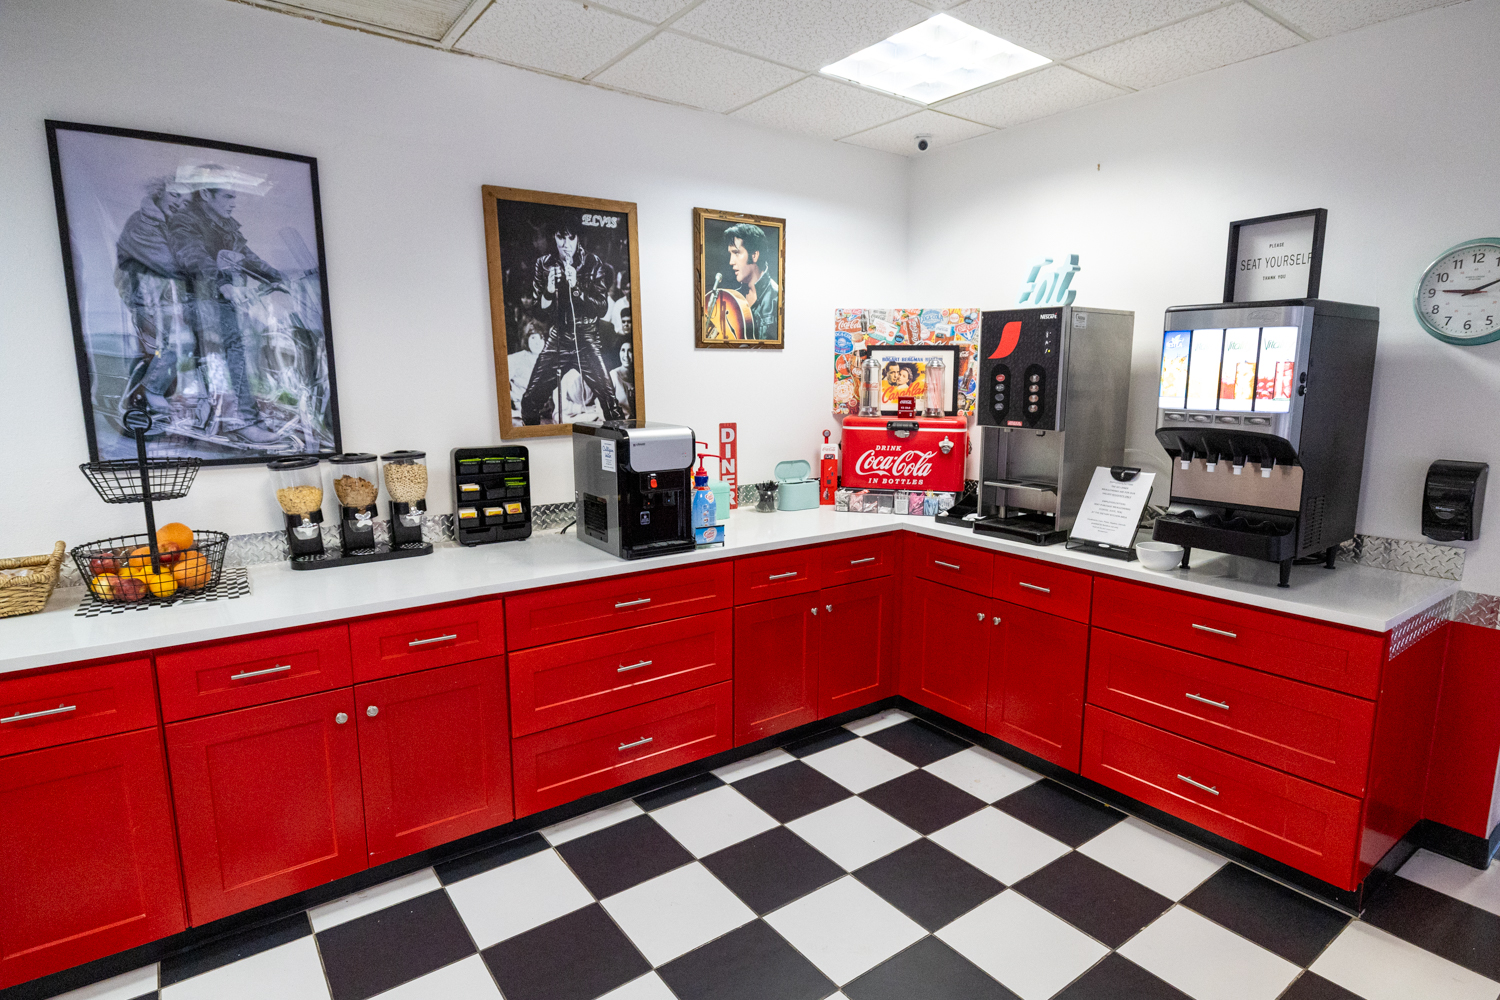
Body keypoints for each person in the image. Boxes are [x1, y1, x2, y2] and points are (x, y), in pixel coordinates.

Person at [168, 168, 285, 444]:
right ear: (206, 194)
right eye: (228, 196)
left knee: (247, 346)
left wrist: (278, 277)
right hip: (198, 299)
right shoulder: (186, 221)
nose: (234, 202)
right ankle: (240, 422)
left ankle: (247, 417)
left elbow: (246, 256)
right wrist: (223, 283)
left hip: (223, 299)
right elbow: (194, 257)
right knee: (231, 351)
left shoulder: (226, 224)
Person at [521, 220, 624, 424]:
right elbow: (538, 313)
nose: (566, 244)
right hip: (558, 337)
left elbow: (602, 308)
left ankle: (623, 441)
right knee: (529, 401)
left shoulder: (592, 262)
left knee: (610, 403)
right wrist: (548, 291)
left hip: (586, 337)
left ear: (577, 238)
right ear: (554, 238)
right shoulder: (544, 264)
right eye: (561, 237)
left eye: (571, 238)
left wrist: (576, 287)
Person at [115, 177, 189, 425]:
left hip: (162, 301)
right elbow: (168, 263)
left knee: (162, 350)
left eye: (184, 200)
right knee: (169, 348)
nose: (179, 203)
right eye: (175, 195)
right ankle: (149, 392)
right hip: (145, 301)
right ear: (160, 192)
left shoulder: (168, 224)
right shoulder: (142, 222)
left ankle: (147, 400)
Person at [723, 222, 778, 342]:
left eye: (736, 253)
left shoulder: (778, 298)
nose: (731, 262)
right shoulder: (732, 300)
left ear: (754, 255)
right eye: (730, 254)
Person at [507, 320, 547, 419]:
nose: (537, 343)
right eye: (533, 338)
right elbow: (499, 386)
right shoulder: (514, 359)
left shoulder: (548, 361)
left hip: (546, 412)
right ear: (526, 339)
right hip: (523, 413)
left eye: (541, 338)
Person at [609, 340, 635, 418]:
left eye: (630, 351)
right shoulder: (613, 375)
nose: (626, 355)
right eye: (623, 350)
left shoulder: (638, 376)